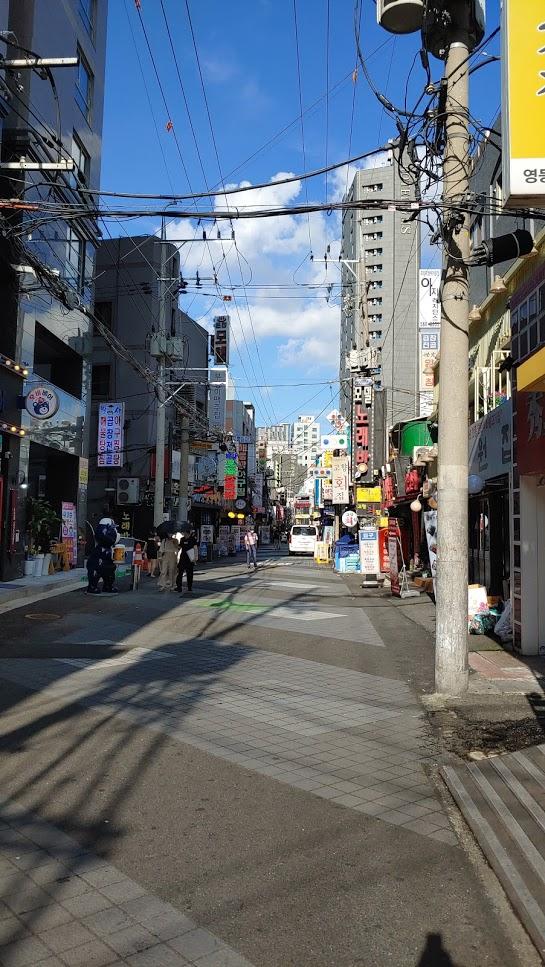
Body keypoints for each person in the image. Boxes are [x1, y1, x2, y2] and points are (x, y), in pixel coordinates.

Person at [177, 528, 198, 594]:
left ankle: (189, 587)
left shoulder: (192, 539)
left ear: (187, 533)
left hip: (190, 556)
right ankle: (179, 587)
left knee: (189, 573)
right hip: (183, 557)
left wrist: (196, 557)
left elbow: (195, 548)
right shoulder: (182, 539)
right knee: (180, 573)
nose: (183, 534)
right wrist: (176, 549)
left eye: (184, 532)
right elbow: (179, 547)